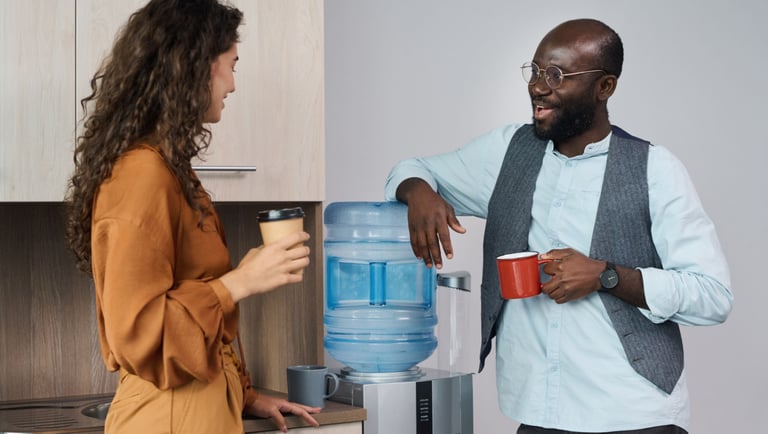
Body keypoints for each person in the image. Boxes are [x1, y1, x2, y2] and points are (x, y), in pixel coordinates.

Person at [385, 18, 733, 434]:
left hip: (634, 415)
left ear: (604, 87)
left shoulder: (655, 169)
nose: (537, 86)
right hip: (538, 413)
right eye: (534, 71)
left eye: (557, 75)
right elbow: (413, 168)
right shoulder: (506, 152)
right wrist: (417, 191)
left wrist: (606, 276)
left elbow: (712, 297)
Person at [64, 0, 320, 433]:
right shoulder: (140, 175)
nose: (234, 85)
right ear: (196, 66)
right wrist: (241, 281)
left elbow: (195, 327)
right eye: (231, 65)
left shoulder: (168, 169)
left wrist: (245, 395)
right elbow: (138, 330)